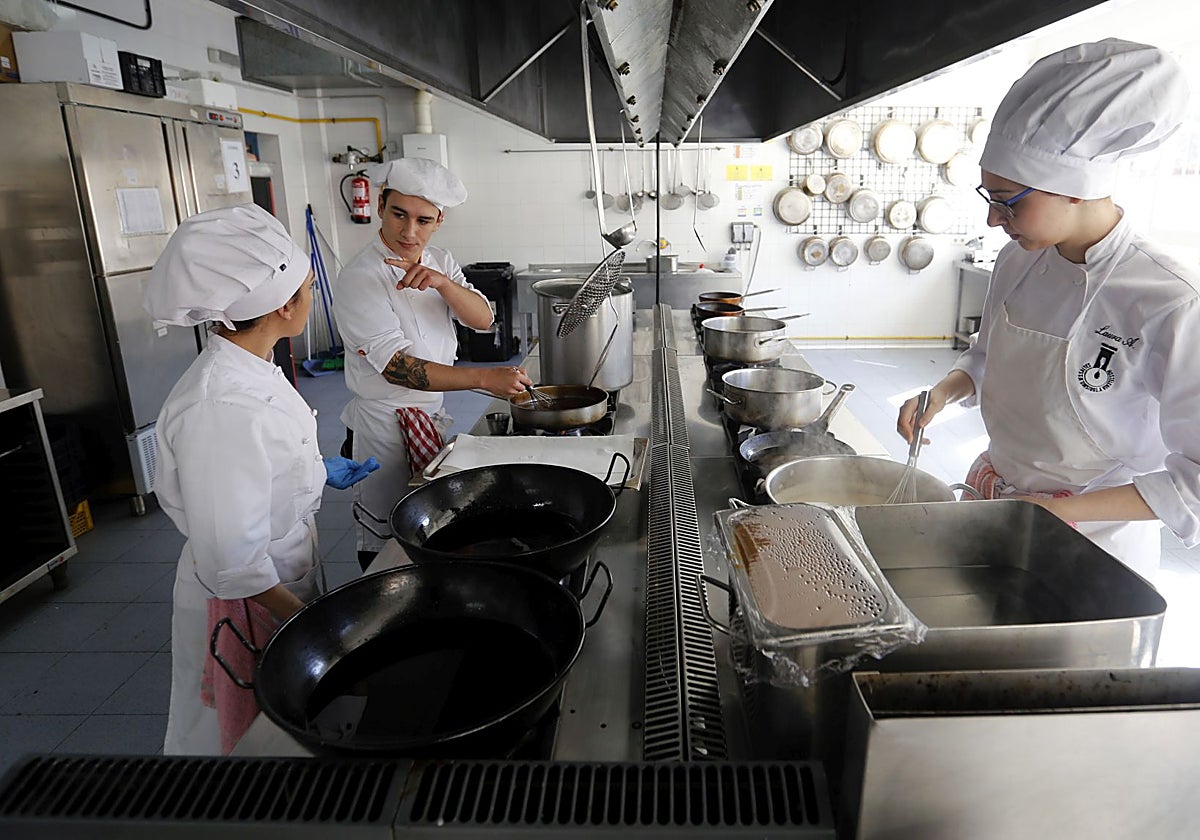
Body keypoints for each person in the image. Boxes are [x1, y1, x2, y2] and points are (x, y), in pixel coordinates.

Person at [897, 39, 1197, 580]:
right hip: (1000, 507)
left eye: (1007, 201)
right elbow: (988, 356)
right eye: (987, 197)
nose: (993, 220)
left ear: (1075, 190)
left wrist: (1061, 511)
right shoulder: (1017, 260)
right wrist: (941, 392)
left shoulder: (1170, 299)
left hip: (1095, 544)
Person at [145, 204, 378, 755]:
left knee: (284, 723)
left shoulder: (251, 366)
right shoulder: (222, 405)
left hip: (277, 574)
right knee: (235, 742)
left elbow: (252, 473)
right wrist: (313, 625)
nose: (312, 296)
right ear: (283, 304)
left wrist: (315, 473)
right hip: (246, 599)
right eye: (307, 286)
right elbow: (231, 558)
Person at [334, 157, 530, 570]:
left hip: (428, 414)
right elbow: (398, 369)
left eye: (423, 220)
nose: (409, 231)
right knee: (388, 535)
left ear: (438, 221)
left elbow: (483, 318)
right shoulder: (360, 277)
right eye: (398, 214)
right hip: (385, 426)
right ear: (381, 207)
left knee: (427, 524)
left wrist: (443, 283)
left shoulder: (439, 259)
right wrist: (484, 378)